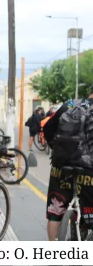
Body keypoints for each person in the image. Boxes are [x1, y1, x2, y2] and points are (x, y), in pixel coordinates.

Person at [44, 89, 93, 241]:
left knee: (55, 212)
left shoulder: (69, 104)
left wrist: (59, 151)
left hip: (60, 168)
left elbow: (47, 129)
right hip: (88, 169)